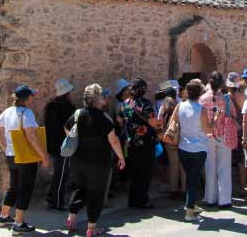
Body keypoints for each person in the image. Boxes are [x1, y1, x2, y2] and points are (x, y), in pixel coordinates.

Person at [65, 84, 126, 236]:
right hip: (99, 162)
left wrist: (76, 140)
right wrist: (121, 157)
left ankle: (71, 218)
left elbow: (67, 129)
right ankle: (91, 228)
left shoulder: (78, 114)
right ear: (98, 99)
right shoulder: (104, 117)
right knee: (96, 192)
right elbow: (114, 141)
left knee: (79, 188)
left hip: (78, 159)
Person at [0, 85, 50, 234]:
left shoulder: (8, 111)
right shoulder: (27, 113)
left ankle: (3, 216)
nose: (33, 98)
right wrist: (43, 155)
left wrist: (4, 146)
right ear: (27, 98)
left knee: (13, 187)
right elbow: (30, 135)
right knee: (25, 188)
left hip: (11, 154)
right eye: (32, 96)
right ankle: (19, 223)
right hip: (26, 156)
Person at [171, 79, 213, 221]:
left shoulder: (179, 106)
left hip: (183, 147)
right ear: (200, 93)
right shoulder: (201, 109)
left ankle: (191, 204)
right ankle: (189, 211)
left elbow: (174, 122)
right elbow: (207, 129)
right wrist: (215, 120)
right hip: (198, 148)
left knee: (190, 178)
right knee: (193, 180)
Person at [120, 78, 158, 209]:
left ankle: (133, 200)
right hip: (145, 142)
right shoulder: (145, 104)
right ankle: (142, 200)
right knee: (145, 172)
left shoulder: (125, 103)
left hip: (131, 142)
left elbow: (121, 120)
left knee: (135, 172)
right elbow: (152, 121)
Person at [199, 71, 234, 208]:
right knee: (224, 168)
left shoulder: (202, 99)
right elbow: (232, 114)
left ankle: (210, 198)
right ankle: (225, 199)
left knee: (209, 167)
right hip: (223, 135)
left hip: (207, 136)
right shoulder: (226, 98)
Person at [44, 78, 76, 211]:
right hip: (63, 145)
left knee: (59, 172)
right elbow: (69, 127)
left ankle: (51, 196)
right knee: (62, 173)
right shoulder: (68, 108)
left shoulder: (50, 106)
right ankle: (57, 202)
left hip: (52, 144)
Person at [158, 83, 186, 198]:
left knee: (173, 165)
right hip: (180, 137)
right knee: (183, 165)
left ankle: (174, 190)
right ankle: (184, 190)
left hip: (169, 138)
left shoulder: (162, 107)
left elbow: (159, 122)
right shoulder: (180, 105)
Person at [226, 72, 247, 199]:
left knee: (229, 160)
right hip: (241, 130)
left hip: (229, 131)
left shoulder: (225, 98)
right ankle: (243, 188)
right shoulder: (243, 97)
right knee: (241, 160)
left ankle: (231, 187)